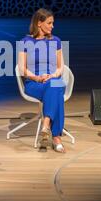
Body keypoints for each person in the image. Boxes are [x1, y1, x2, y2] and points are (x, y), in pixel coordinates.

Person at [18, 8, 67, 153]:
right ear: (39, 23)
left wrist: (53, 76)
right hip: (34, 82)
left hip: (53, 79)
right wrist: (37, 78)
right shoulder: (25, 41)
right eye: (49, 23)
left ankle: (46, 124)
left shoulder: (56, 41)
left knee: (54, 85)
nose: (52, 26)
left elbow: (60, 67)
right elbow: (22, 69)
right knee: (56, 92)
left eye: (53, 23)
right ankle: (56, 137)